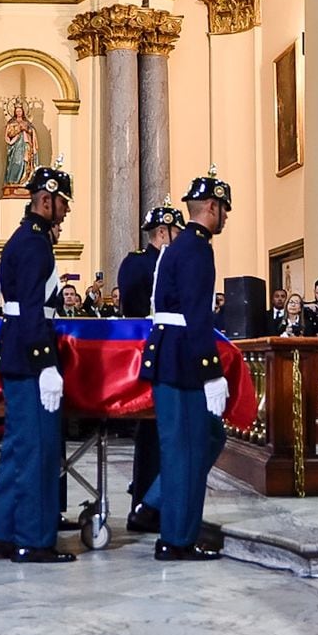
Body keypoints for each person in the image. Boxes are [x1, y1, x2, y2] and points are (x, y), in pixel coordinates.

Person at [0, 158, 76, 564]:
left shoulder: (25, 239)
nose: (67, 209)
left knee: (19, 449)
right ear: (45, 200)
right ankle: (33, 540)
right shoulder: (35, 244)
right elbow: (33, 310)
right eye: (63, 202)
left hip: (16, 352)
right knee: (37, 449)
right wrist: (47, 364)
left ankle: (0, 534)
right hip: (29, 354)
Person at [141, 165, 233, 561]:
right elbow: (198, 315)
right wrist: (212, 372)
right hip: (184, 361)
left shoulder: (178, 247)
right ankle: (177, 538)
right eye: (225, 209)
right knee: (189, 451)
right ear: (211, 207)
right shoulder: (196, 249)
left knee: (188, 445)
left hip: (169, 356)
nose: (226, 217)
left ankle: (168, 522)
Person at [121, 197, 184, 535]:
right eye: (175, 231)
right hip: (148, 352)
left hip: (165, 352)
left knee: (163, 433)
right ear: (163, 231)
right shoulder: (139, 264)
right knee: (151, 433)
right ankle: (146, 501)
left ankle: (156, 503)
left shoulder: (170, 261)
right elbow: (134, 312)